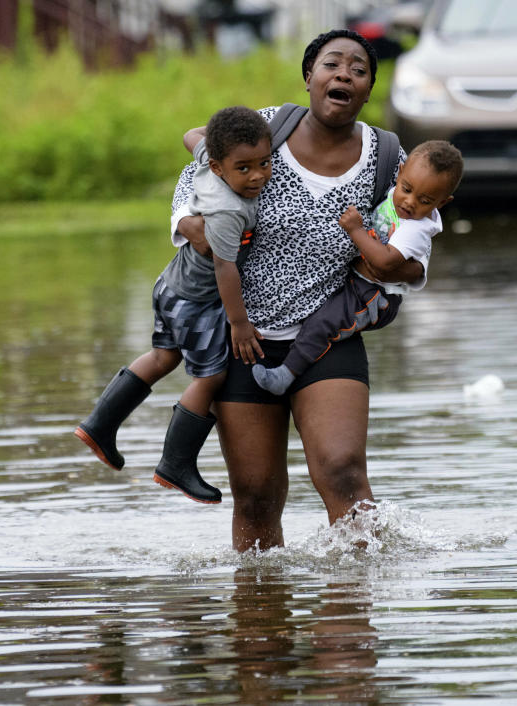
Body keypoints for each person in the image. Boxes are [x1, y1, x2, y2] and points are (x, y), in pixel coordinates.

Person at [172, 29, 423, 551]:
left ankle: (355, 614)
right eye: (332, 64)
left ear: (367, 90)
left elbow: (416, 226)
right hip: (243, 335)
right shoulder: (266, 128)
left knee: (343, 472)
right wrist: (190, 225)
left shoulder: (388, 158)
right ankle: (260, 619)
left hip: (328, 333)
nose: (344, 74)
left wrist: (407, 267)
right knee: (256, 494)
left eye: (359, 69)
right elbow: (196, 173)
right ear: (309, 76)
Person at [74, 106, 272, 505]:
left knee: (163, 356)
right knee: (211, 377)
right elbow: (224, 267)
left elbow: (190, 134)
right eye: (244, 168)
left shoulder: (207, 159)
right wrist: (239, 324)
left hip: (169, 287)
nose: (257, 176)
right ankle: (176, 463)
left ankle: (99, 424)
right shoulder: (228, 210)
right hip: (197, 301)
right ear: (218, 168)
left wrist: (217, 138)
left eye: (264, 163)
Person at [252, 140, 463, 394]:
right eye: (406, 189)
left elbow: (384, 262)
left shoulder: (416, 228)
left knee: (323, 323)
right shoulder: (394, 196)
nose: (409, 202)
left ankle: (285, 376)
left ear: (441, 203)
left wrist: (355, 230)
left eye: (425, 200)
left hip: (373, 296)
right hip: (358, 283)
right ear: (400, 172)